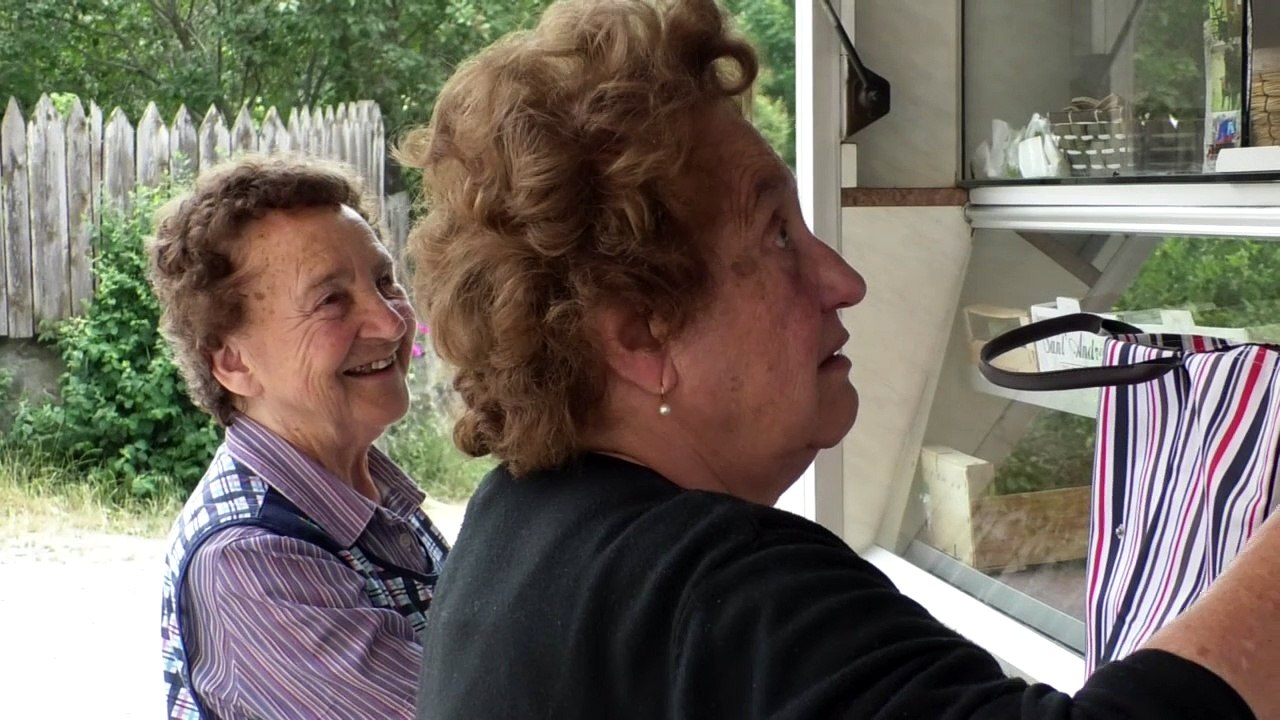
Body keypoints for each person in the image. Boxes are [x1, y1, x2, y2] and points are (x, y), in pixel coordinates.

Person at [400, 1, 1277, 718]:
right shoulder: (715, 588)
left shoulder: (518, 525)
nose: (844, 279)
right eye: (777, 233)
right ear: (637, 332)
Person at [151, 155, 450, 720]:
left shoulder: (365, 495)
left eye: (384, 280)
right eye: (331, 300)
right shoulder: (250, 565)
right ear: (235, 362)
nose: (390, 322)